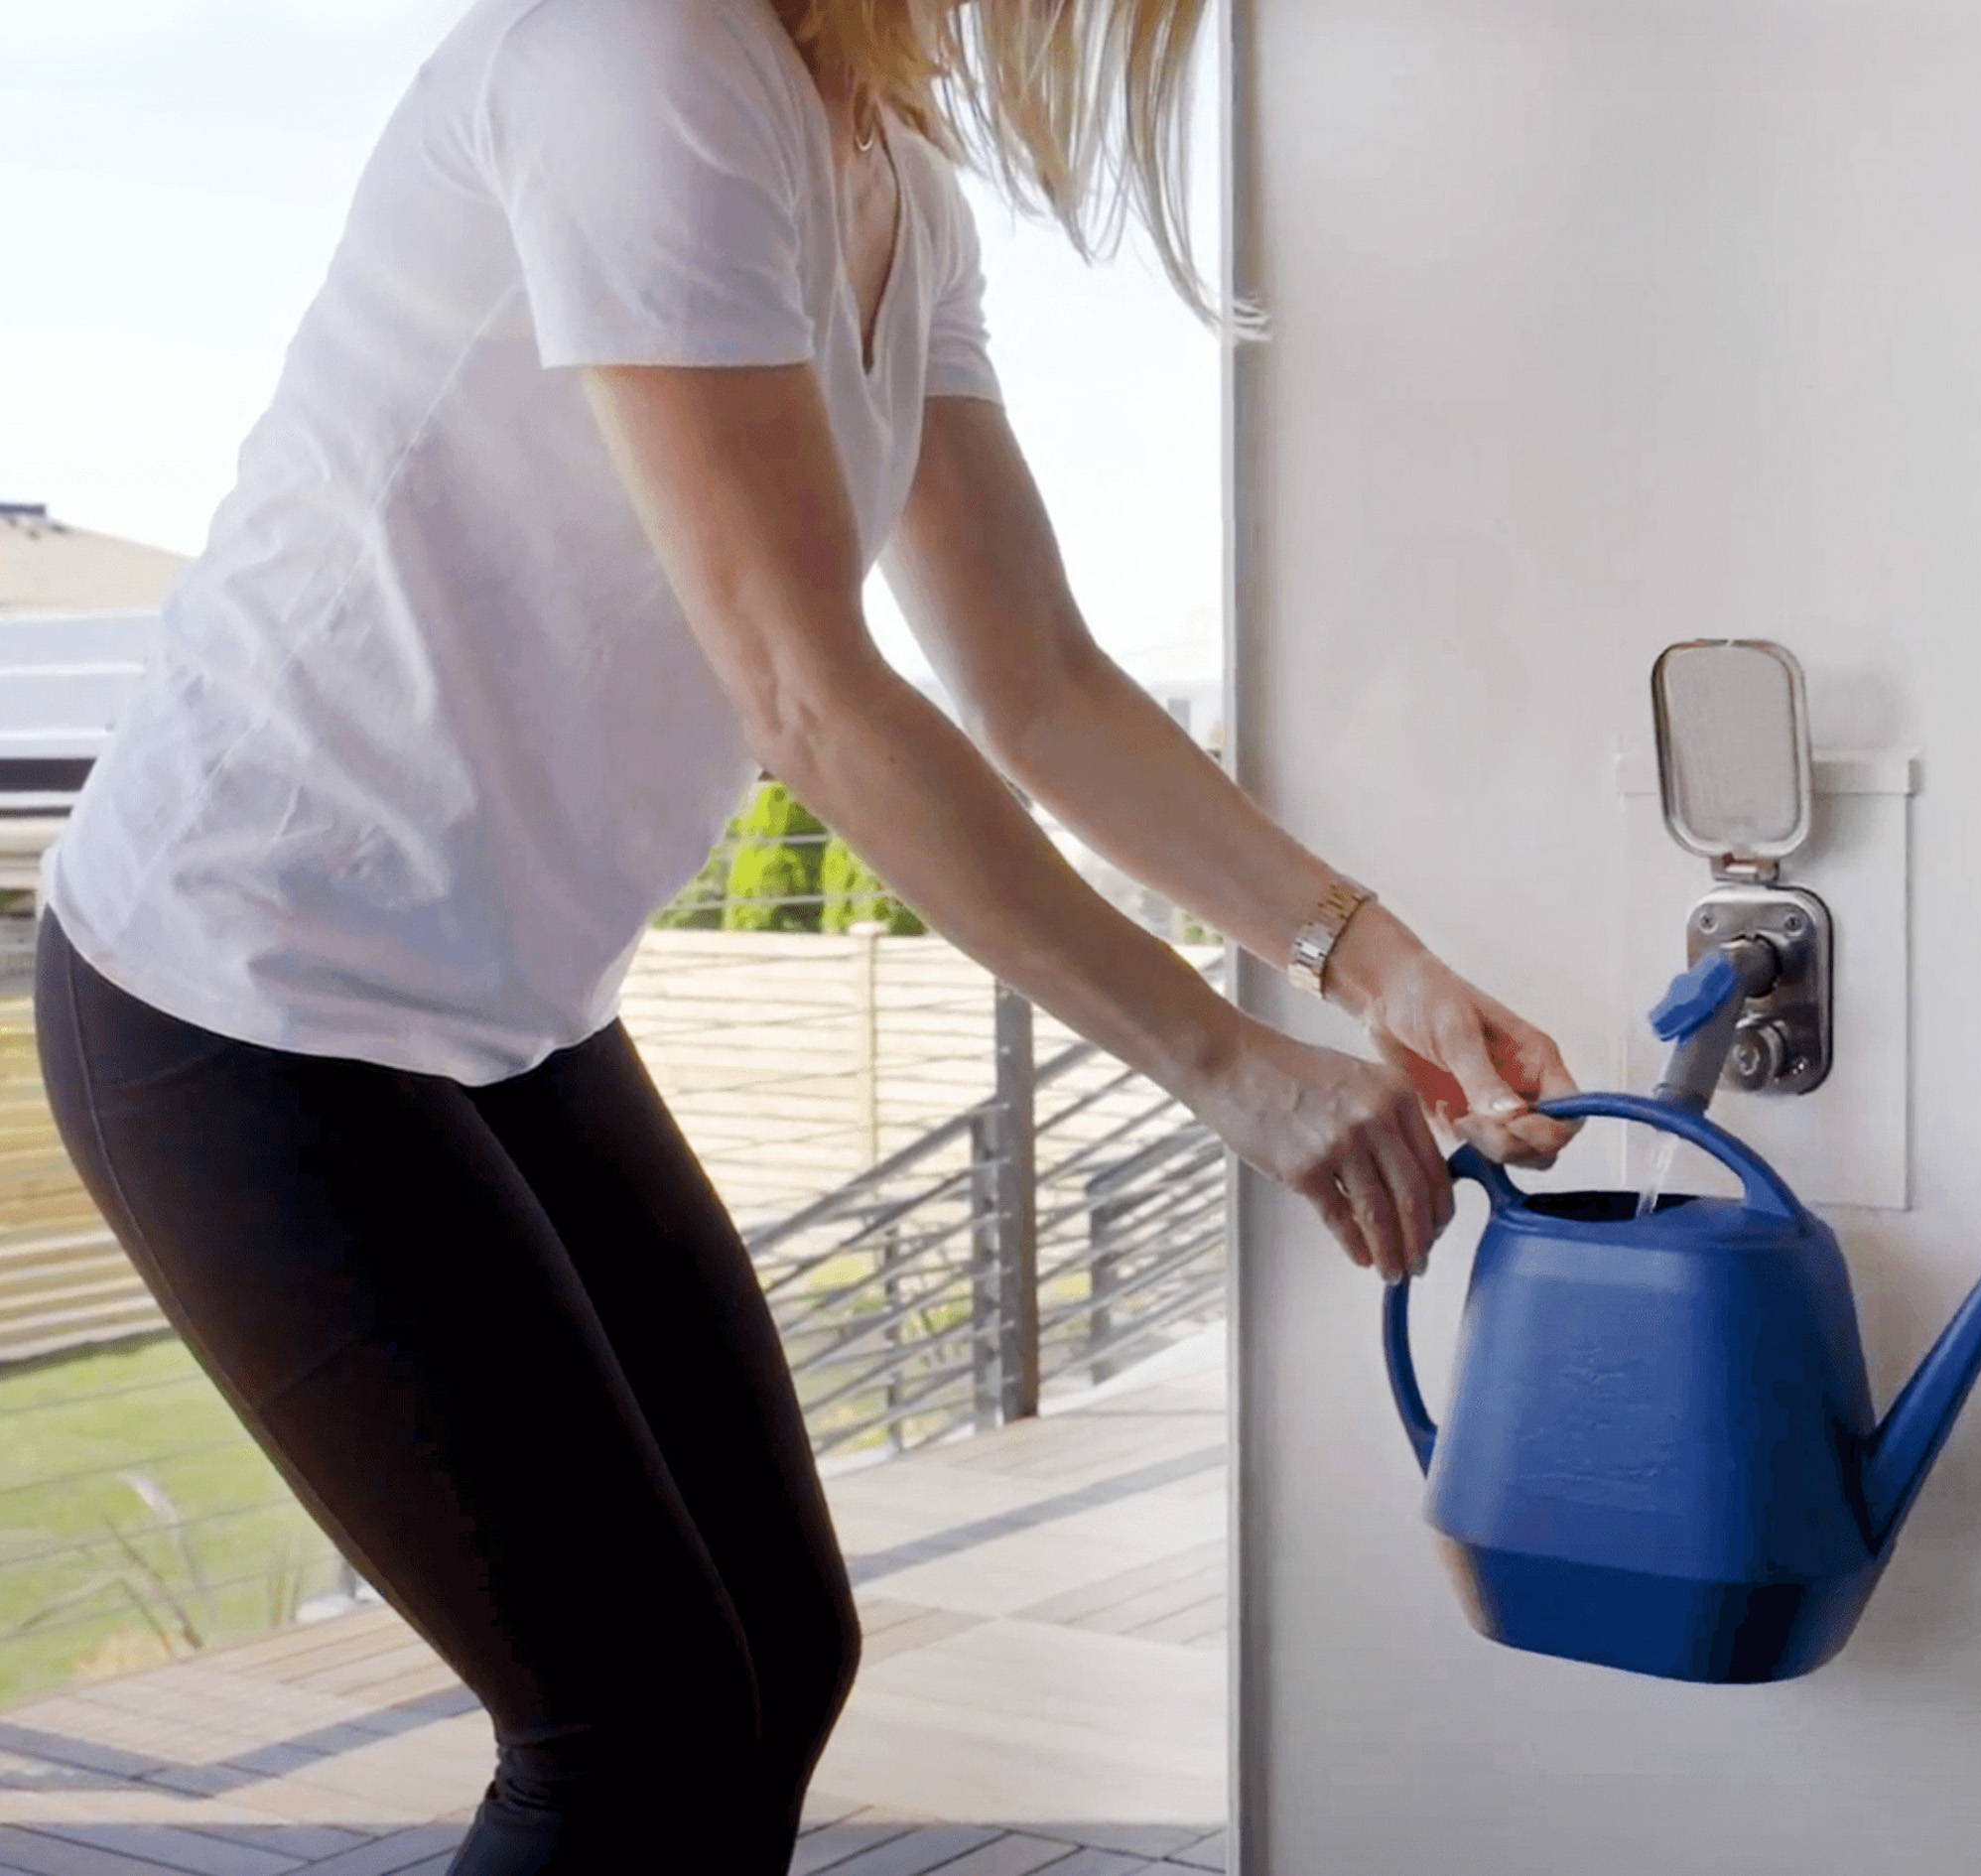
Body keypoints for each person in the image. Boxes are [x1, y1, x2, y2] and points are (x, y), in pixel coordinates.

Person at [31, 0, 1581, 1868]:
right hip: (241, 979)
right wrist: (1227, 1063)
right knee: (636, 1722)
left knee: (782, 1651)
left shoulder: (895, 182)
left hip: (506, 1011)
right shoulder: (642, 62)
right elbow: (810, 697)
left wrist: (1372, 960)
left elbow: (1041, 683)